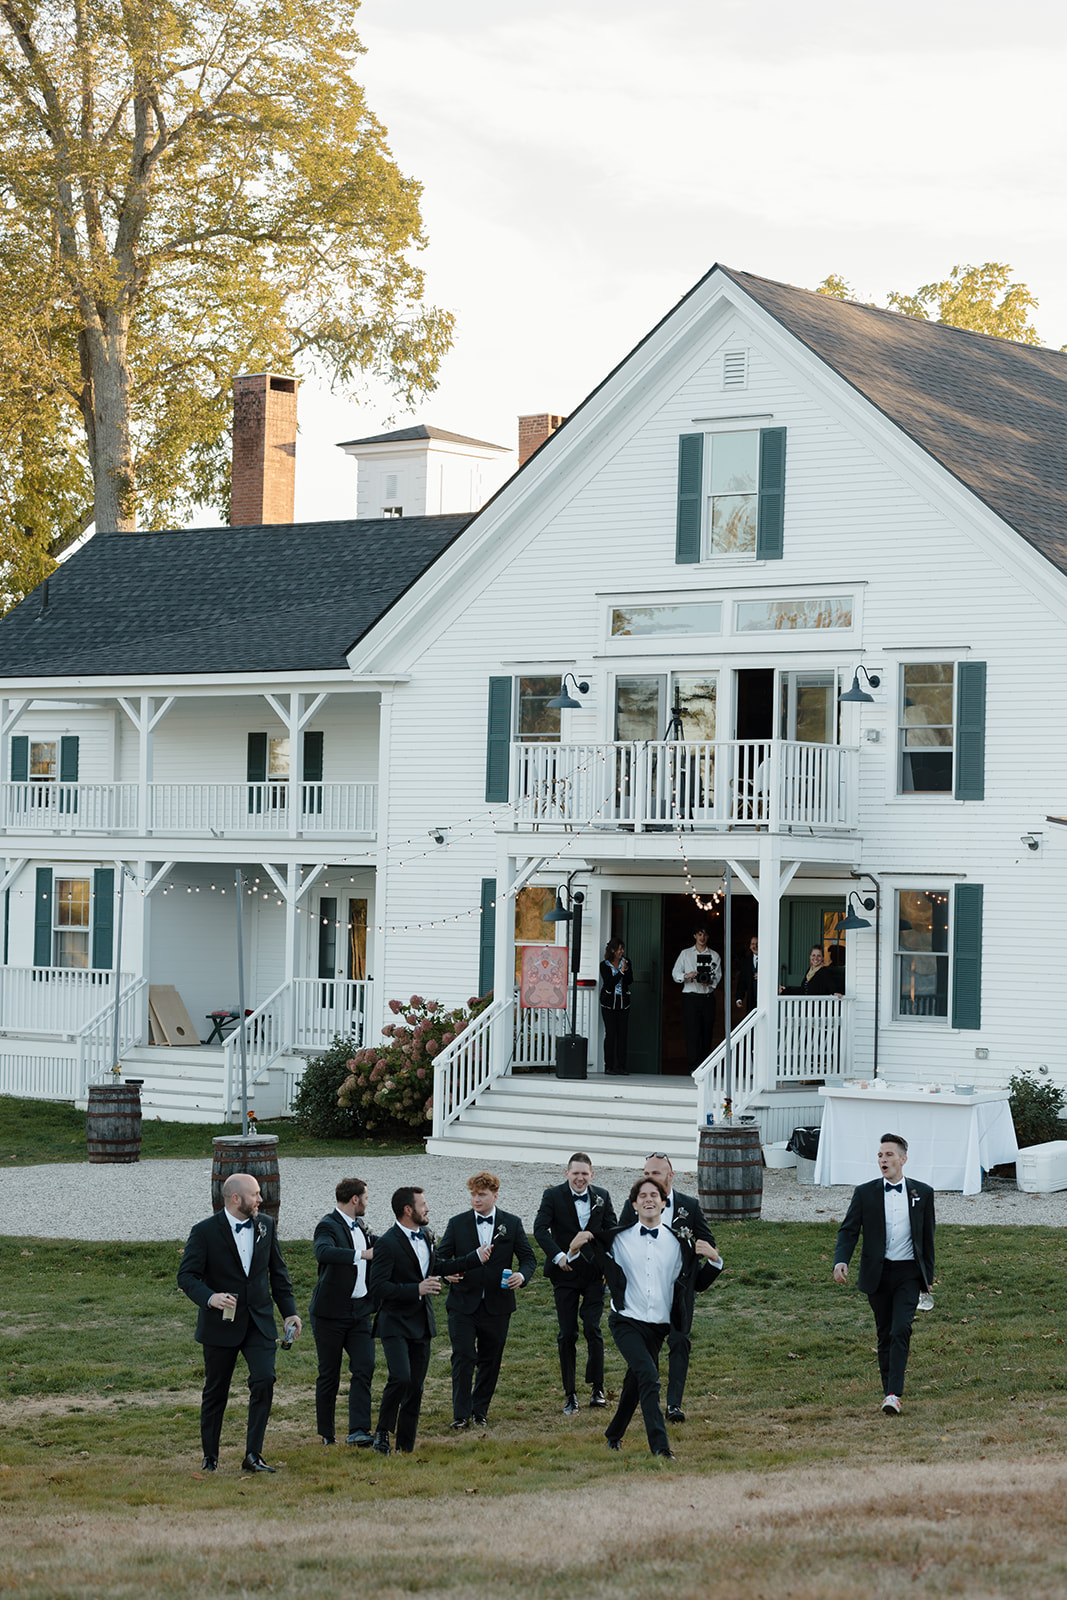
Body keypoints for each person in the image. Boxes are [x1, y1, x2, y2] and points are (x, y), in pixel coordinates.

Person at [577, 1176, 721, 1458]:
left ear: (664, 1203)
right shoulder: (618, 1238)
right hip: (626, 1321)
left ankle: (614, 1435)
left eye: (654, 1195)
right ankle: (660, 1447)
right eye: (642, 1196)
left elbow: (698, 1284)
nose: (648, 1200)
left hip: (658, 1328)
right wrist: (573, 1251)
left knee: (635, 1383)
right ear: (634, 1205)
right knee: (649, 1378)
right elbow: (592, 1267)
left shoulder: (680, 1243)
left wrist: (715, 1260)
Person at [177, 1172, 300, 1474]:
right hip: (221, 1325)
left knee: (264, 1380)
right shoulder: (204, 1232)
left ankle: (253, 1455)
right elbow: (187, 1276)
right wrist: (210, 1297)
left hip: (259, 1321)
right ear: (236, 1198)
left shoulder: (266, 1226)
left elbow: (278, 1273)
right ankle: (210, 1457)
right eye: (255, 1194)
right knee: (216, 1390)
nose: (261, 1199)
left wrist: (289, 1313)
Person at [368, 1185, 490, 1455]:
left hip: (421, 1322)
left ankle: (405, 1446)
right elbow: (378, 1287)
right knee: (400, 1377)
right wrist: (417, 1289)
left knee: (415, 1386)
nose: (428, 1209)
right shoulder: (387, 1243)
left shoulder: (426, 1236)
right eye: (423, 1204)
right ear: (407, 1210)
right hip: (394, 1323)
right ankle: (382, 1432)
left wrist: (474, 1258)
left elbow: (438, 1266)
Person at [833, 1133, 935, 1415]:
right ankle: (888, 1391)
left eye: (889, 1154)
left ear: (903, 1159)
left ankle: (894, 1395)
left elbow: (927, 1239)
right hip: (877, 1274)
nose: (883, 1160)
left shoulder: (923, 1193)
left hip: (908, 1274)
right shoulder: (865, 1193)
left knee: (901, 1329)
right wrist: (841, 1261)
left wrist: (927, 1279)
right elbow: (848, 1230)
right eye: (880, 1155)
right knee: (885, 1333)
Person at [617, 1152, 716, 1421]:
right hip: (644, 1292)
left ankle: (674, 1405)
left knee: (679, 1342)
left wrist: (702, 1258)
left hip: (680, 1292)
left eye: (656, 1174)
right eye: (646, 1174)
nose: (649, 1179)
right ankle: (634, 1402)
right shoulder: (633, 1205)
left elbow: (707, 1243)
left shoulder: (689, 1206)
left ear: (670, 1176)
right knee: (646, 1349)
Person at [437, 1171, 537, 1429]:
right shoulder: (457, 1223)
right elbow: (440, 1259)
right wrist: (447, 1275)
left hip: (498, 1304)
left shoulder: (511, 1223)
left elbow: (528, 1258)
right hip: (462, 1304)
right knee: (463, 1356)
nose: (476, 1199)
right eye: (473, 1195)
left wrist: (521, 1276)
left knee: (490, 1360)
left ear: (495, 1196)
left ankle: (479, 1411)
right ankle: (461, 1415)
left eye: (481, 1195)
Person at [533, 1153, 617, 1414]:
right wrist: (559, 1256)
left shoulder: (602, 1196)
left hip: (593, 1274)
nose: (580, 1178)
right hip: (565, 1272)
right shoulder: (552, 1196)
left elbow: (612, 1231)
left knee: (593, 1328)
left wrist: (599, 1245)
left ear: (592, 1175)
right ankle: (570, 1394)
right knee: (567, 1333)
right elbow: (539, 1229)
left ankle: (597, 1388)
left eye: (584, 1174)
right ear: (567, 1173)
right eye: (575, 1173)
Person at [309, 1176, 376, 1448]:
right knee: (329, 1374)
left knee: (365, 1366)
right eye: (366, 1198)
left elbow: (383, 1246)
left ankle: (358, 1430)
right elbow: (323, 1252)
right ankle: (327, 1434)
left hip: (360, 1312)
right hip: (330, 1314)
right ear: (355, 1199)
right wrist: (361, 1254)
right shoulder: (328, 1225)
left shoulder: (361, 1226)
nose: (367, 1203)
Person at [672, 926, 721, 1071]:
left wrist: (710, 981)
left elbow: (718, 976)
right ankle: (693, 1067)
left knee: (707, 1032)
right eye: (699, 934)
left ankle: (705, 1067)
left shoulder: (714, 956)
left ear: (708, 936)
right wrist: (687, 976)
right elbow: (675, 973)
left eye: (705, 934)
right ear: (694, 936)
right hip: (691, 998)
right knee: (692, 1032)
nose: (702, 937)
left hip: (707, 997)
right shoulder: (685, 954)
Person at [599, 937, 632, 1075]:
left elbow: (629, 981)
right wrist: (621, 972)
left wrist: (626, 971)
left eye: (622, 949)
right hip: (608, 1004)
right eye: (619, 949)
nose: (622, 951)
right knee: (610, 1034)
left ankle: (621, 1066)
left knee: (622, 1035)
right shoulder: (604, 965)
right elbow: (609, 983)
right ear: (612, 950)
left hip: (623, 1003)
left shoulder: (626, 962)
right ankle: (609, 1066)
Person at [734, 934, 759, 1015]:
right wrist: (739, 998)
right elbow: (742, 982)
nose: (755, 946)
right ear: (750, 946)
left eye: (758, 943)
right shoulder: (746, 962)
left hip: (765, 999)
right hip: (751, 1001)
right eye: (753, 944)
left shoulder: (768, 959)